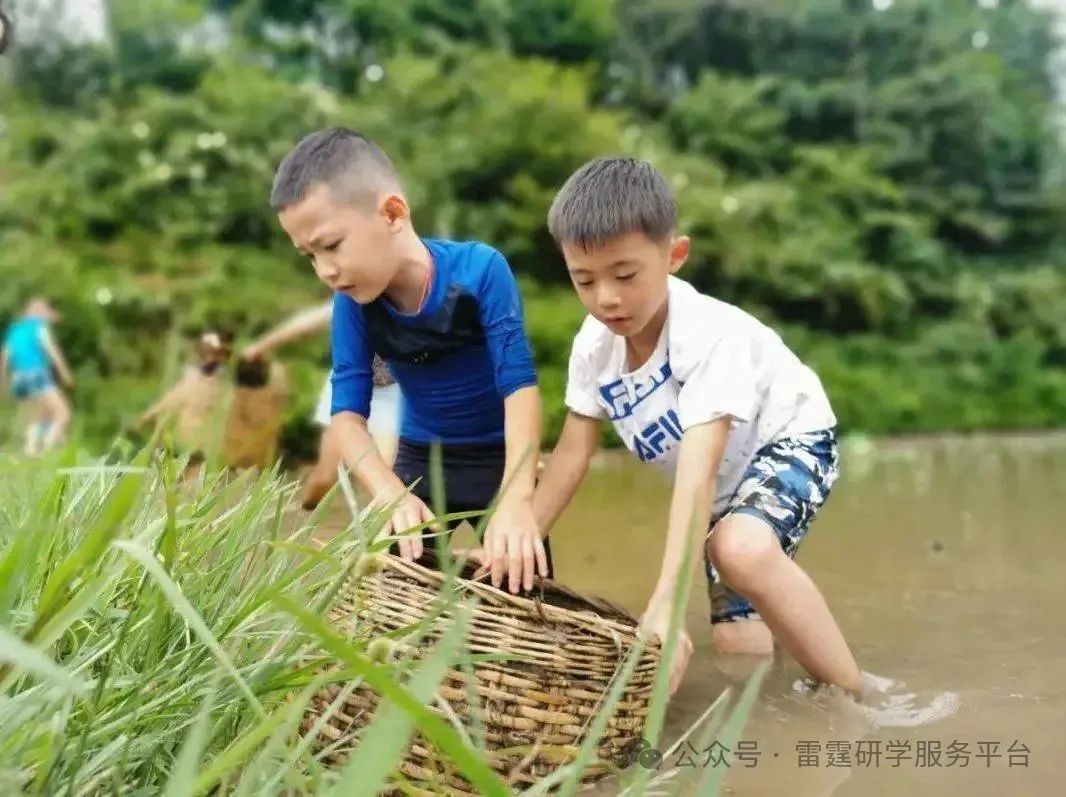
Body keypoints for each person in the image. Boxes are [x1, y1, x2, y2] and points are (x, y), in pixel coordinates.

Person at [528, 157, 862, 697]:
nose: (606, 297)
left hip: (792, 438)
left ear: (674, 256)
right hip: (723, 485)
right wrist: (520, 530)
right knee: (738, 647)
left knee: (740, 550)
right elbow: (571, 452)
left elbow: (697, 471)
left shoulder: (708, 335)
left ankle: (857, 703)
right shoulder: (594, 347)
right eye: (583, 279)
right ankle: (775, 713)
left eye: (626, 274)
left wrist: (669, 598)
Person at [269, 127, 550, 593]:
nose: (326, 271)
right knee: (392, 590)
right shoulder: (354, 305)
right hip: (420, 462)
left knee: (522, 588)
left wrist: (517, 497)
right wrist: (388, 492)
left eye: (332, 245)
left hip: (499, 461)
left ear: (393, 213)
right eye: (309, 256)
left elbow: (519, 387)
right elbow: (346, 419)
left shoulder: (480, 270)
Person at [241, 302, 402, 510]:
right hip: (348, 389)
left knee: (388, 475)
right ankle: (301, 516)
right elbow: (303, 325)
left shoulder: (418, 301)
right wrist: (260, 347)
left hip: (393, 395)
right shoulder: (356, 300)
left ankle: (384, 535)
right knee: (324, 480)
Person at [1, 298, 74, 455]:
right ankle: (47, 448)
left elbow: (5, 357)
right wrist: (65, 372)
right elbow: (51, 349)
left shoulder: (14, 330)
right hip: (36, 375)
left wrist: (2, 381)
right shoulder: (39, 327)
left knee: (35, 420)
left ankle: (30, 456)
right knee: (63, 413)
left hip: (19, 380)